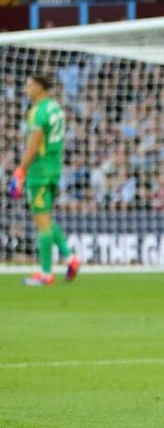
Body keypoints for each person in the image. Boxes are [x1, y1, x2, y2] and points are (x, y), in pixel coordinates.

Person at [15, 74, 81, 286]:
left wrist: (20, 170)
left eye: (29, 85)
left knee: (41, 222)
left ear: (39, 87)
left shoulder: (39, 111)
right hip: (54, 169)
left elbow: (33, 146)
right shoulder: (56, 108)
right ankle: (70, 258)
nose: (26, 89)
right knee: (45, 218)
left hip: (39, 171)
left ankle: (46, 273)